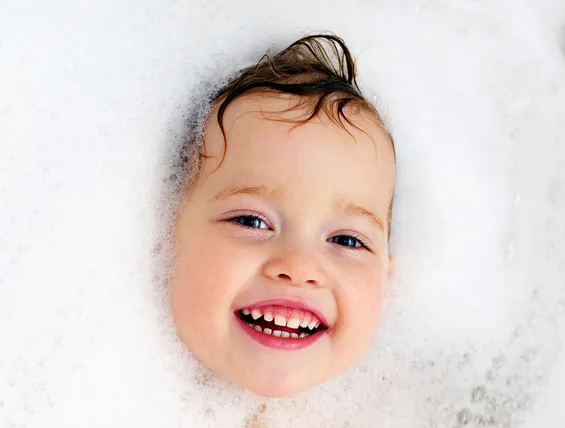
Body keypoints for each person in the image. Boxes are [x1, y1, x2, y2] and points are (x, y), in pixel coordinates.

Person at [169, 33, 396, 400]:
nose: (299, 266)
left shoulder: (385, 426)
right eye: (251, 221)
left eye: (347, 240)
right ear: (164, 238)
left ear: (389, 283)